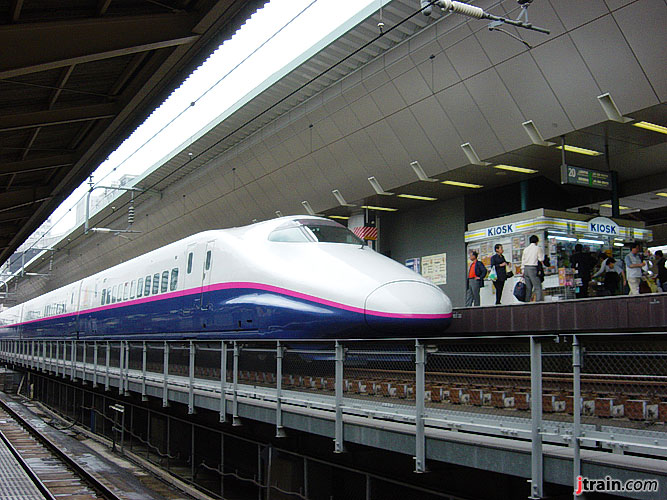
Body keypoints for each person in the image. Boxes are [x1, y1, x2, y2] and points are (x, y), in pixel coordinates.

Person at [521, 235, 544, 302]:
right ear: (537, 241)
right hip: (533, 268)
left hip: (526, 269)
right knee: (538, 287)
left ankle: (527, 302)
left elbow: (523, 260)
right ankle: (538, 302)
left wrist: (522, 270)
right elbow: (541, 259)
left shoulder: (526, 249)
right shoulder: (537, 248)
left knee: (528, 288)